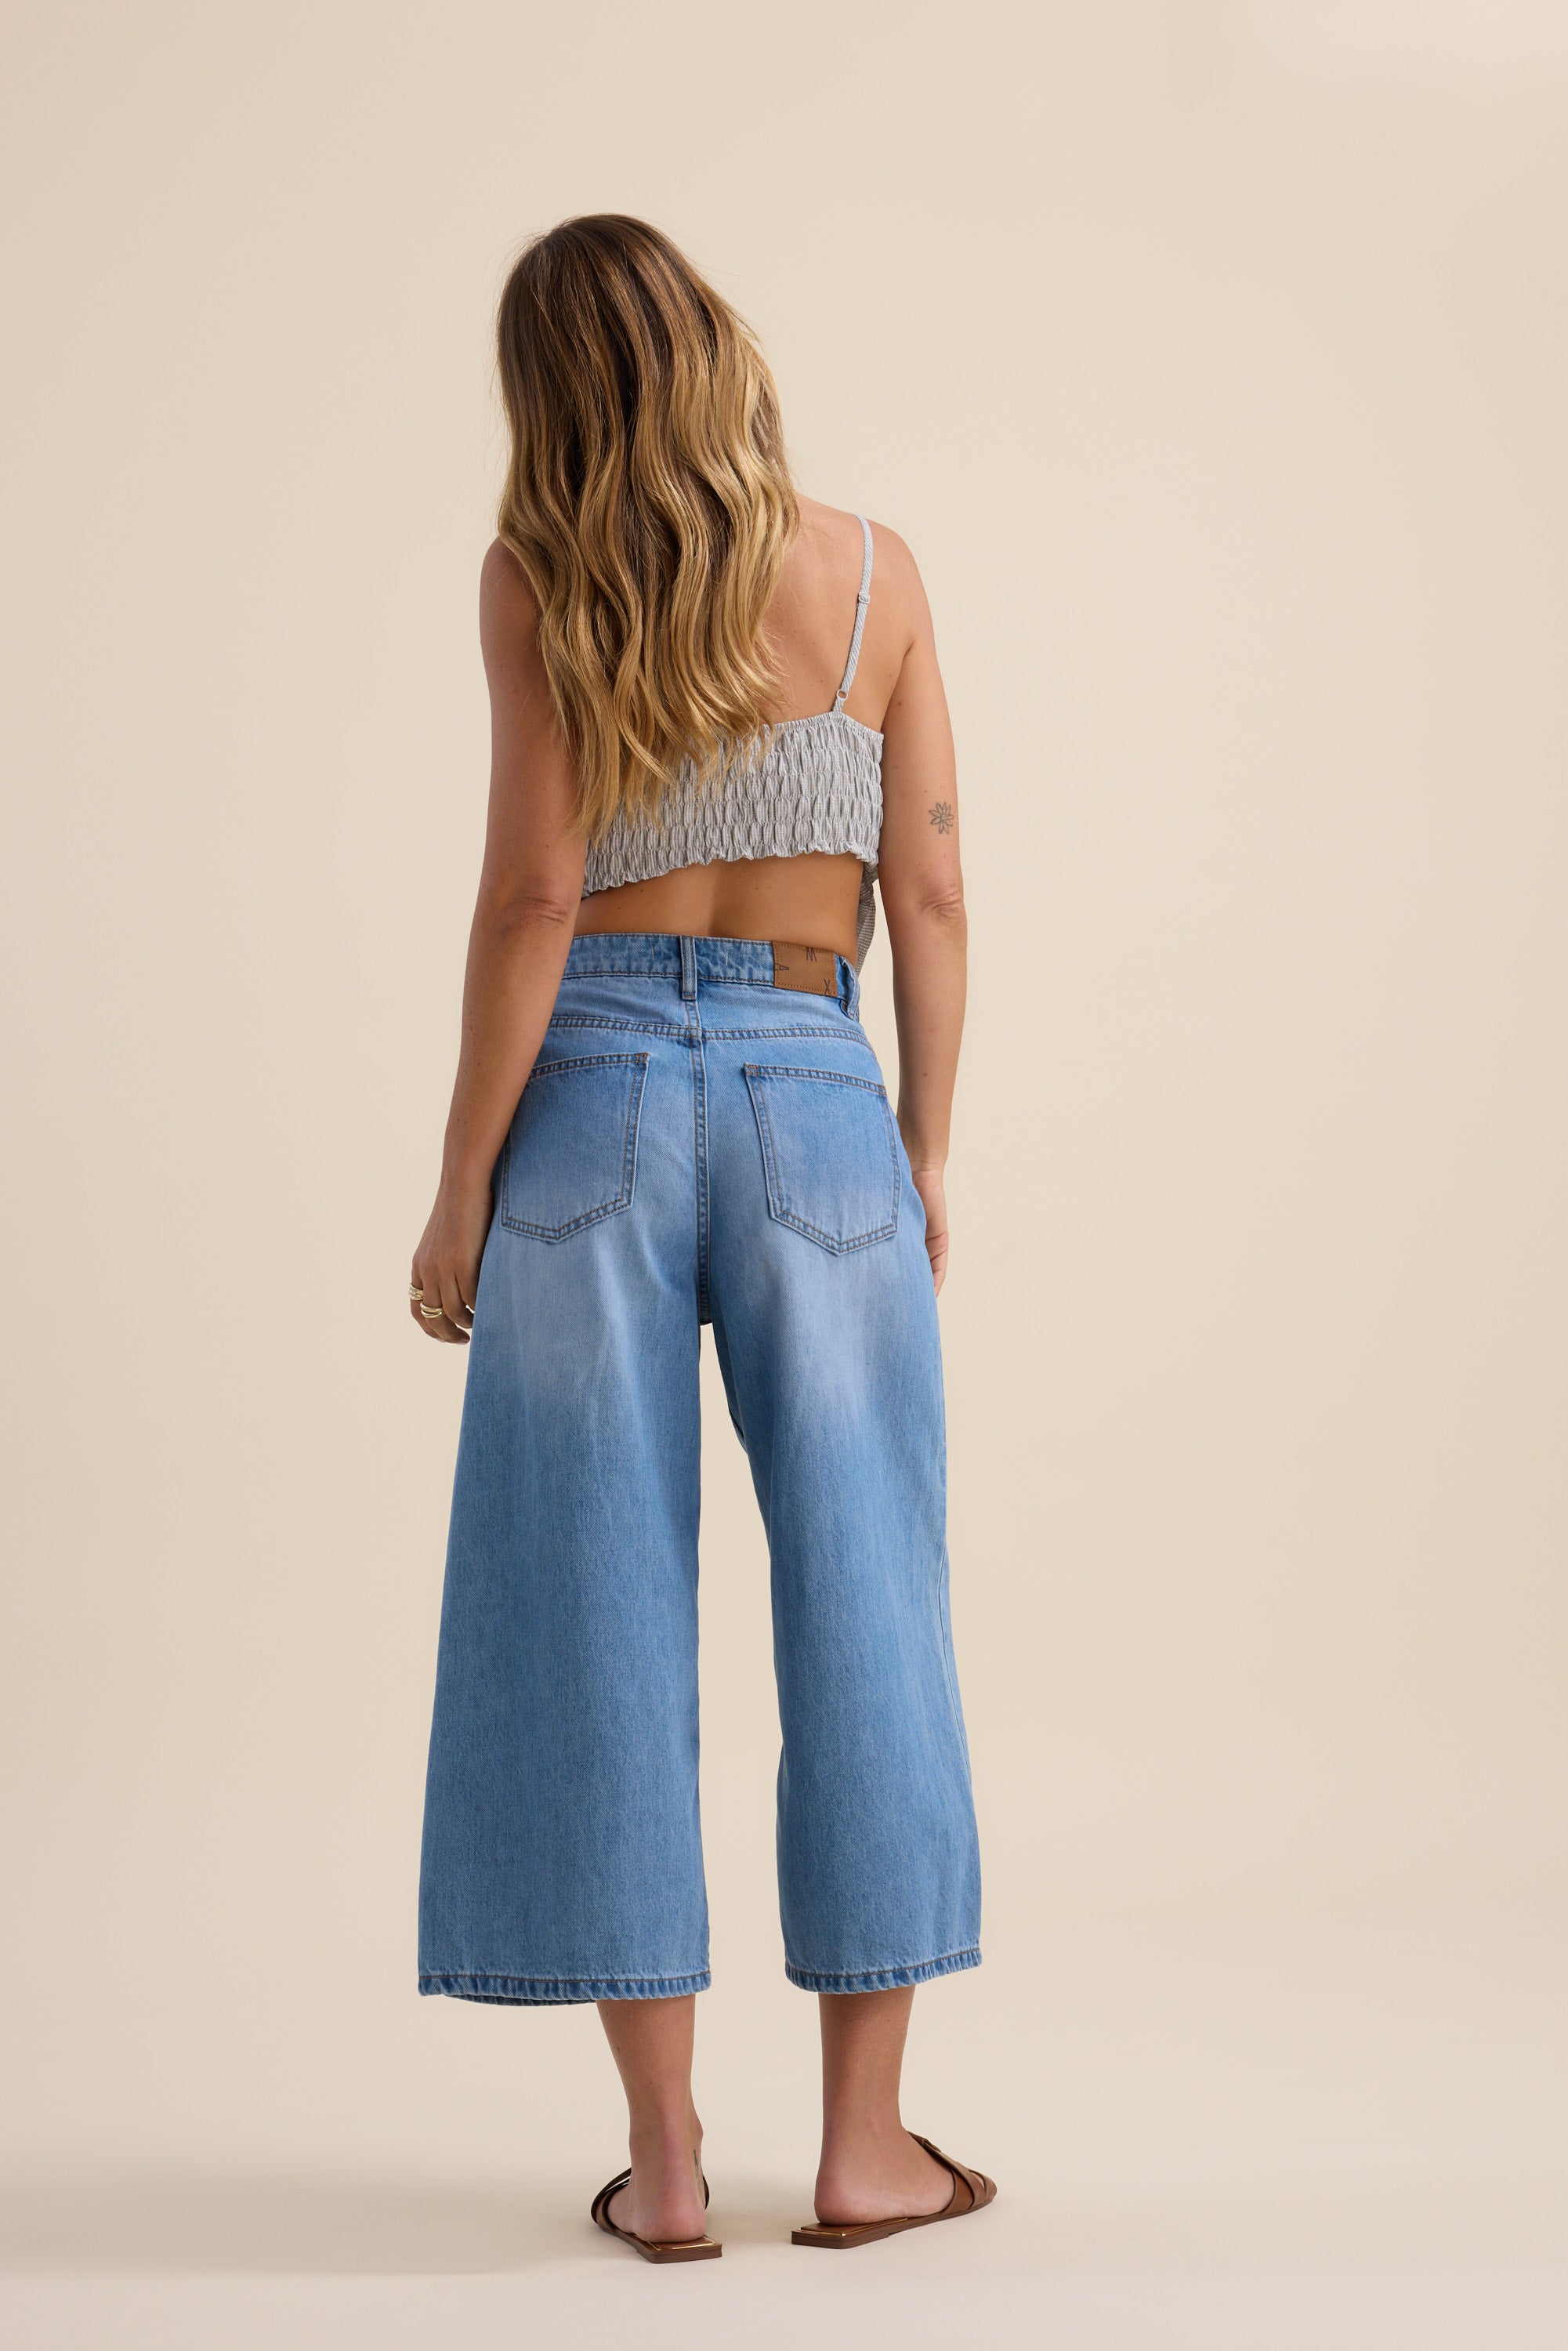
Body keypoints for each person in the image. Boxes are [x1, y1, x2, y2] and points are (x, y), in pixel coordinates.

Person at [409, 214, 990, 2262]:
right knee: (869, 1592)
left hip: (591, 1095)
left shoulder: (540, 579)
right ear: (719, 346)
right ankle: (861, 2153)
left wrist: (464, 1176)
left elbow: (531, 903)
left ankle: (664, 2170)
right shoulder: (871, 576)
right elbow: (924, 897)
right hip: (813, 1087)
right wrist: (916, 1145)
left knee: (584, 1598)